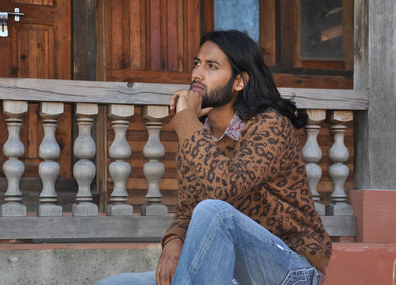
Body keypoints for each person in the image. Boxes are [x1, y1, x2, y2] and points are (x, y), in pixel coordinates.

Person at [97, 30, 332, 285]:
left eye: (212, 66)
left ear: (239, 82)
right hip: (229, 271)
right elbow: (188, 211)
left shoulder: (270, 125)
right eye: (197, 63)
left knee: (214, 212)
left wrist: (187, 121)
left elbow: (225, 189)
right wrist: (174, 241)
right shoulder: (199, 133)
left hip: (290, 269)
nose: (197, 74)